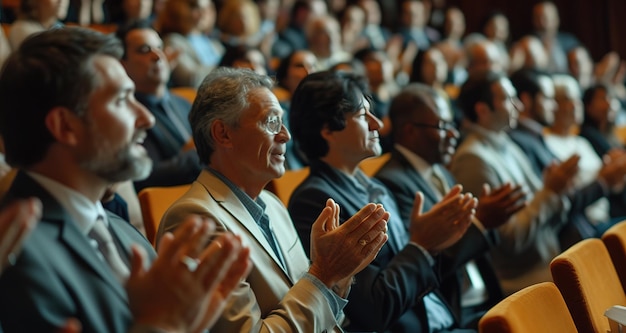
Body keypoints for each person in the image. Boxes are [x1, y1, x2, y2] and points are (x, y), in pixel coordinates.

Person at [0, 26, 251, 332]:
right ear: (65, 126)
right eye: (122, 100)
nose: (146, 118)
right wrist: (161, 325)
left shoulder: (122, 230)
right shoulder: (15, 253)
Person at [157, 67, 389, 332]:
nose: (285, 135)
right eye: (271, 122)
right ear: (223, 134)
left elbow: (324, 314)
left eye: (283, 122)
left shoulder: (273, 203)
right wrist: (324, 274)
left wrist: (339, 275)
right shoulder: (195, 220)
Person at [288, 70, 478, 332]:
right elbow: (374, 308)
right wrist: (422, 244)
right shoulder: (316, 201)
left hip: (440, 319)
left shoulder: (374, 186)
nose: (378, 124)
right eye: (363, 117)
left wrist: (438, 241)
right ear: (328, 130)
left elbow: (412, 269)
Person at [375, 83, 526, 326]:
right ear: (409, 131)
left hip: (483, 296)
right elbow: (426, 260)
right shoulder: (391, 183)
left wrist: (487, 220)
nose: (454, 133)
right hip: (452, 308)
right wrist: (479, 223)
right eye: (443, 126)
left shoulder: (440, 171)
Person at [449, 71, 580, 295]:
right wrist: (550, 191)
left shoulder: (507, 142)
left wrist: (560, 190)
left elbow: (547, 212)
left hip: (548, 260)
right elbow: (509, 241)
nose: (518, 106)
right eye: (509, 99)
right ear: (483, 110)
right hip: (522, 282)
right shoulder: (472, 159)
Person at [116, 19, 203, 191]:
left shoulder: (184, 103)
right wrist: (199, 153)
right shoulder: (128, 115)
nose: (157, 56)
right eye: (144, 50)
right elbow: (146, 175)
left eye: (159, 47)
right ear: (122, 64)